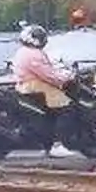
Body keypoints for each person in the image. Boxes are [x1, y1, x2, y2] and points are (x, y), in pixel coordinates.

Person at [12, 25, 76, 157]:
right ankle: (57, 144)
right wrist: (66, 77)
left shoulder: (23, 52)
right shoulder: (33, 54)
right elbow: (48, 75)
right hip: (37, 87)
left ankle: (48, 145)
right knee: (67, 108)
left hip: (26, 87)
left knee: (50, 113)